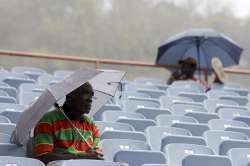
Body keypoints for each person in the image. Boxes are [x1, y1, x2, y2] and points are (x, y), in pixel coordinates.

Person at [33, 82, 104, 165]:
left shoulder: (91, 124)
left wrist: (95, 154)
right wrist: (80, 157)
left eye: (91, 95)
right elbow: (42, 157)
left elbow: (98, 156)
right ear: (70, 97)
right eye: (85, 94)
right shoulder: (48, 120)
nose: (90, 99)